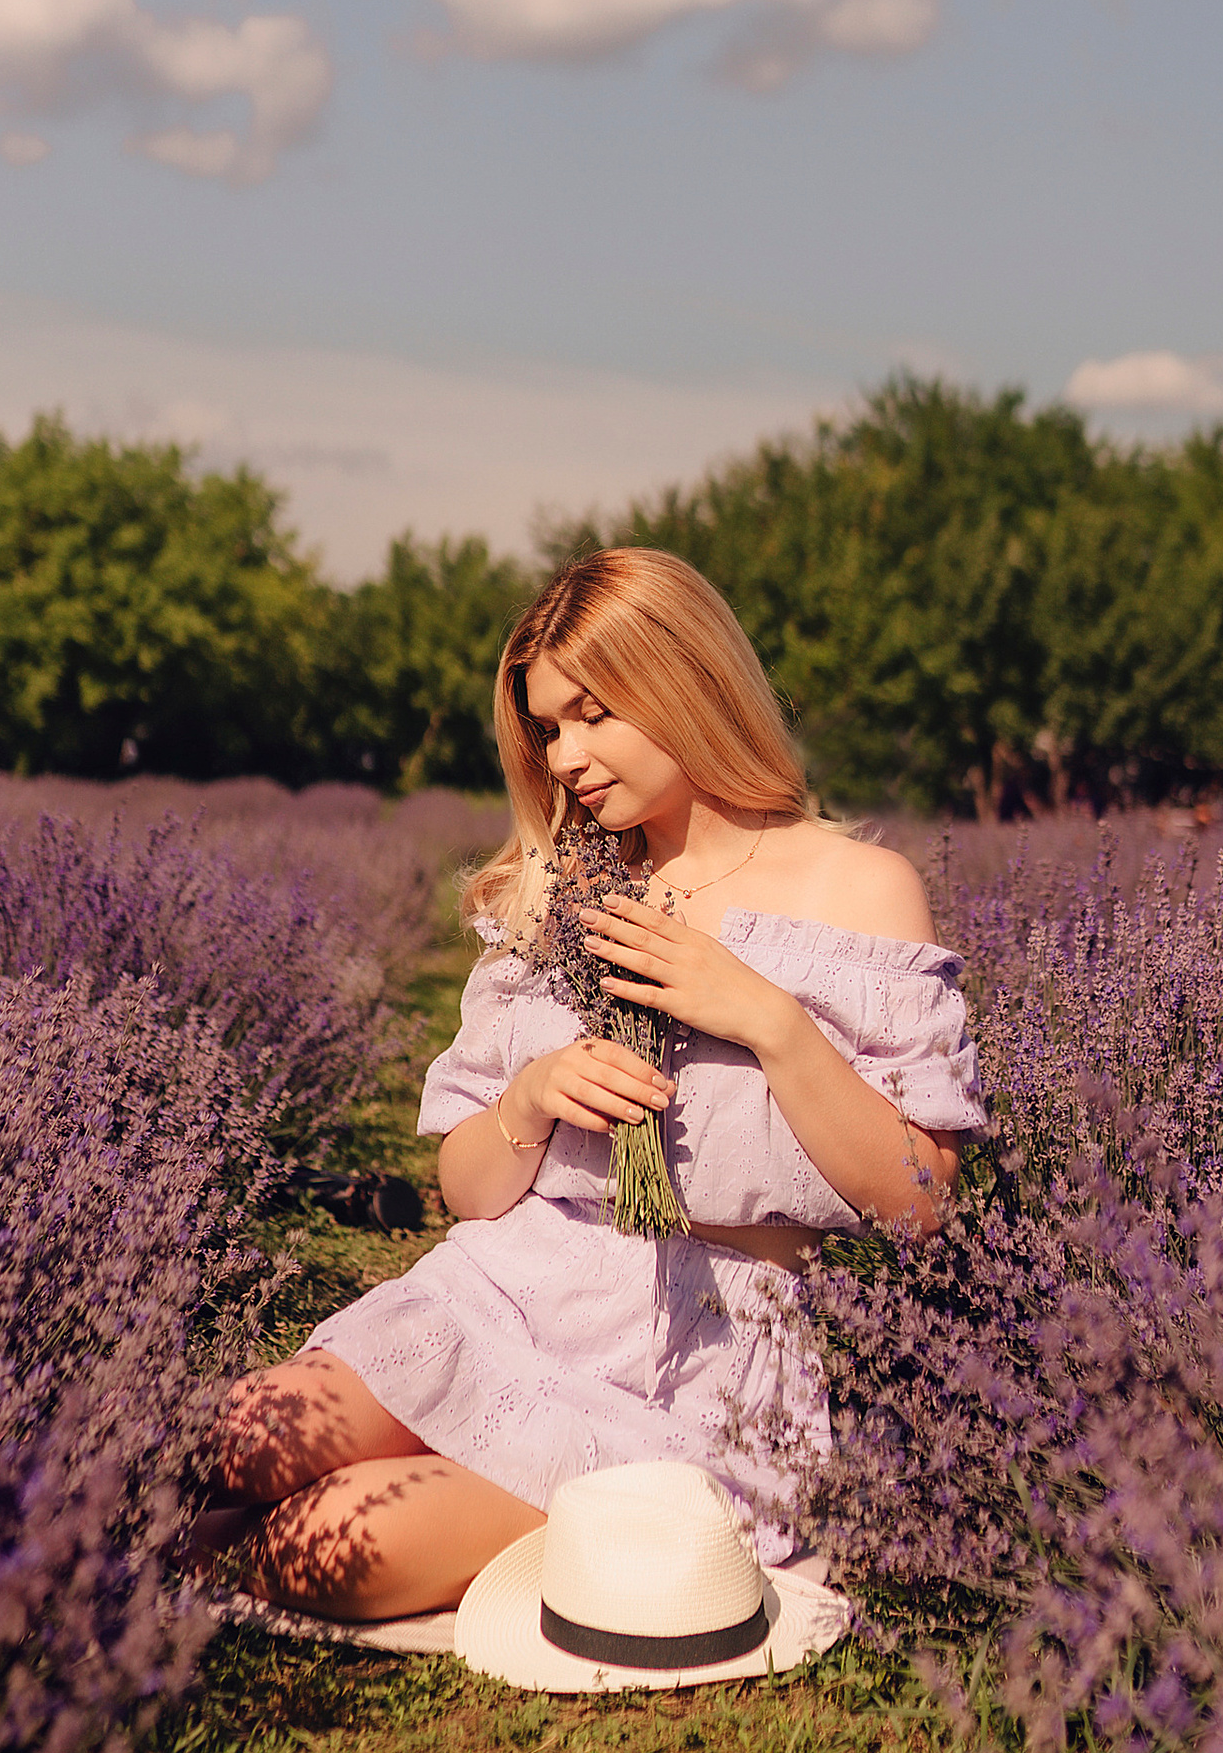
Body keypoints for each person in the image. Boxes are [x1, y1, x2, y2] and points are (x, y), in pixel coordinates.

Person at [214, 547, 986, 1621]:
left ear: (687, 683)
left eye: (592, 714)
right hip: (514, 1285)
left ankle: (156, 1568)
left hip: (701, 1353)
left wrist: (765, 1016)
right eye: (547, 727)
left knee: (326, 1543)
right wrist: (527, 1099)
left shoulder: (858, 888)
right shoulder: (556, 886)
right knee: (238, 1440)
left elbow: (921, 1202)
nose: (565, 756)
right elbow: (464, 1189)